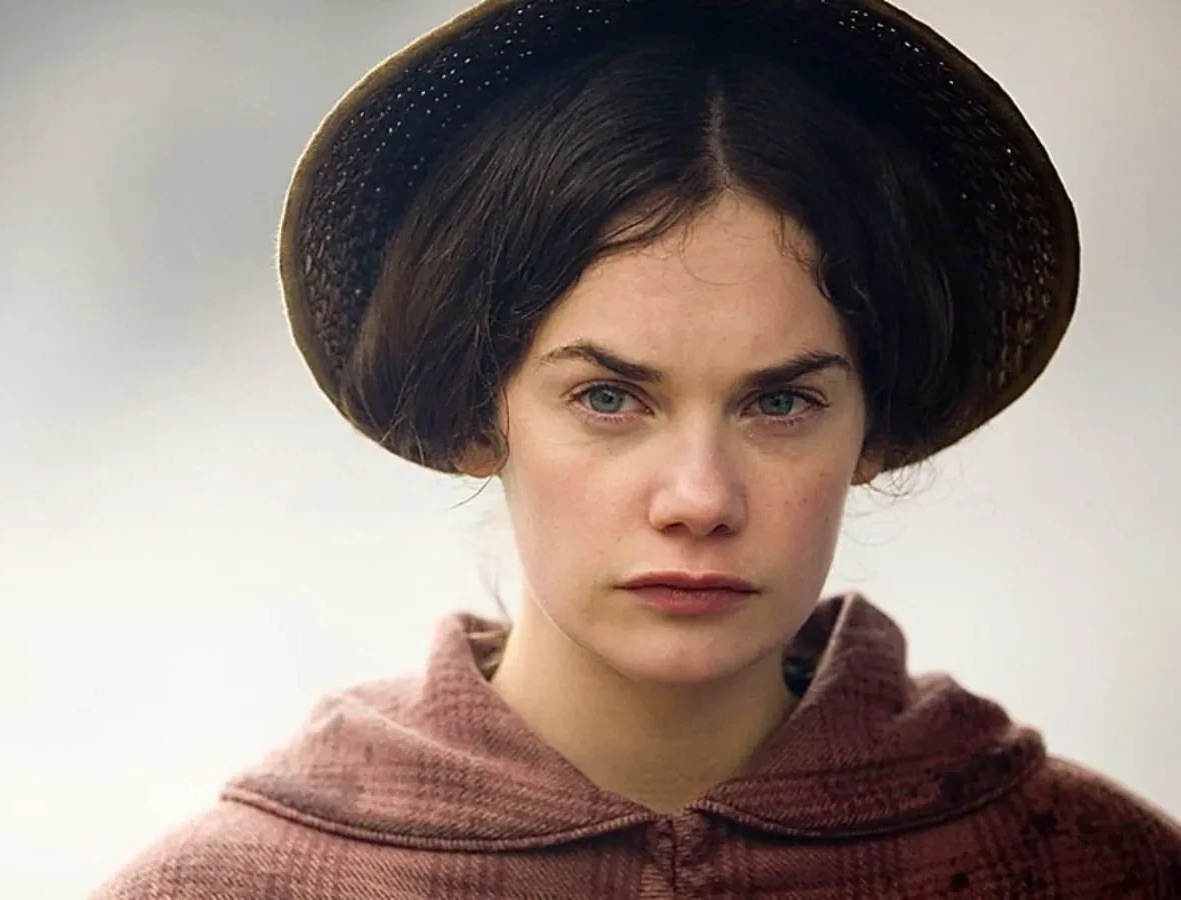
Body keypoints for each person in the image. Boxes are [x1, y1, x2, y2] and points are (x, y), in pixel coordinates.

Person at [93, 1, 1181, 896]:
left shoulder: (1096, 869)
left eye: (781, 403)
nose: (699, 498)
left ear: (876, 427)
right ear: (476, 414)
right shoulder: (226, 888)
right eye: (609, 397)